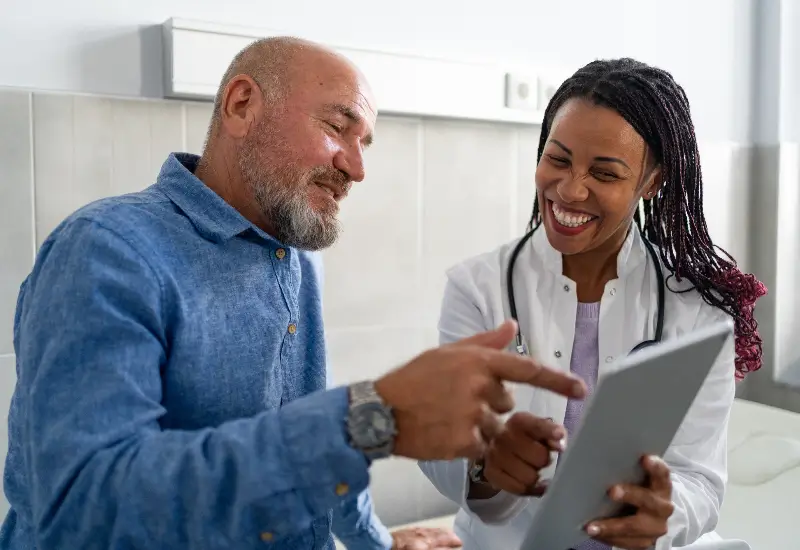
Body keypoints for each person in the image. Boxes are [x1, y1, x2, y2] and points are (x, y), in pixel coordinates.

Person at [0, 37, 587, 550]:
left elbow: (294, 430)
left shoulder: (294, 260)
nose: (356, 168)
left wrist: (371, 540)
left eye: (366, 143)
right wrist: (371, 417)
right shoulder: (107, 252)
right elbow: (84, 514)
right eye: (337, 127)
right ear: (242, 105)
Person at [419, 58, 767, 550]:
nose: (570, 189)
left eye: (604, 173)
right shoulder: (478, 288)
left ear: (650, 183)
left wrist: (662, 517)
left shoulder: (698, 310)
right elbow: (439, 448)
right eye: (557, 159)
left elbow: (701, 479)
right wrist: (483, 465)